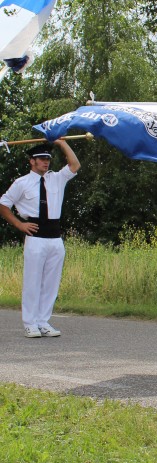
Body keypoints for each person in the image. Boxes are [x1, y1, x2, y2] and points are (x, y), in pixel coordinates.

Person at [0, 140, 81, 337]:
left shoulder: (57, 178)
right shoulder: (22, 183)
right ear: (32, 161)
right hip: (35, 236)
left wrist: (62, 143)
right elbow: (3, 204)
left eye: (48, 159)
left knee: (51, 283)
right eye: (42, 159)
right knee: (32, 282)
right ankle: (30, 323)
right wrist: (19, 224)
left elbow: (75, 165)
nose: (46, 162)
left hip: (55, 237)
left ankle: (43, 321)